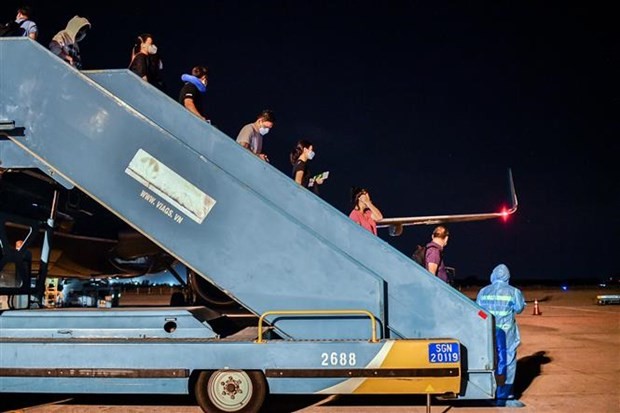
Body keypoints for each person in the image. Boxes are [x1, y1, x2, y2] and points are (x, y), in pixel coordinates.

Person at [476, 263, 526, 408]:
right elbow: (519, 308)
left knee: (490, 361)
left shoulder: (483, 291)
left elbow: (478, 310)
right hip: (506, 332)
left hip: (489, 332)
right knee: (508, 362)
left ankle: (488, 392)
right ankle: (505, 397)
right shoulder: (513, 292)